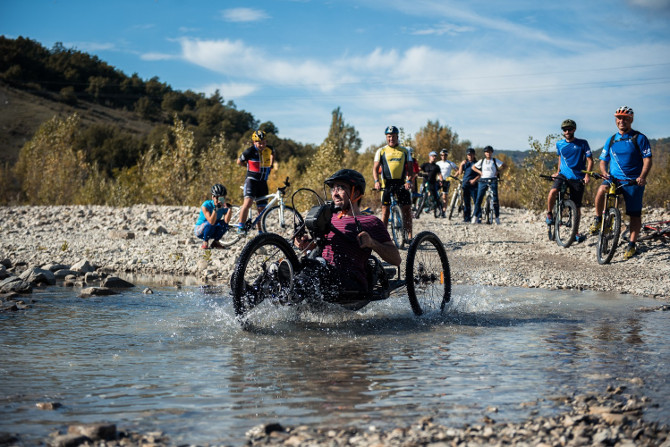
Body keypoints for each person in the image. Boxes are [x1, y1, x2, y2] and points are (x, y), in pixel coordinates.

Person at [294, 169, 401, 304]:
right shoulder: (328, 218)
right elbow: (321, 245)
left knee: (312, 272)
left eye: (341, 188)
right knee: (276, 274)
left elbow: (396, 259)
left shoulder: (371, 222)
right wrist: (306, 244)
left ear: (356, 193)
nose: (335, 193)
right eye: (333, 188)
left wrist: (372, 243)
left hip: (350, 284)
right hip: (322, 275)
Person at [588, 106, 652, 260]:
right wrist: (604, 172)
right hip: (613, 179)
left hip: (632, 181)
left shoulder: (639, 138)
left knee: (634, 215)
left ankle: (631, 244)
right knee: (601, 190)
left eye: (625, 118)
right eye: (619, 118)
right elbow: (603, 160)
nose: (621, 120)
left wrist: (642, 176)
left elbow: (647, 159)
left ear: (631, 120)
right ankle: (598, 219)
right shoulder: (611, 139)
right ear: (616, 120)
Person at [545, 119, 593, 243]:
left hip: (578, 177)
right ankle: (549, 213)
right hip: (563, 175)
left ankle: (575, 233)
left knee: (576, 208)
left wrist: (587, 176)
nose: (567, 131)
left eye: (569, 129)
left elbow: (590, 160)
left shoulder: (582, 143)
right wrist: (557, 171)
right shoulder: (559, 144)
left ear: (574, 130)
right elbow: (561, 158)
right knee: (553, 191)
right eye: (564, 130)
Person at [372, 126, 414, 240]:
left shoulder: (405, 151)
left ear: (397, 137)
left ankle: (409, 235)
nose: (391, 139)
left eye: (393, 136)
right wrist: (376, 181)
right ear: (386, 137)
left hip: (401, 183)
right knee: (385, 211)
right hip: (387, 184)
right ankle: (383, 237)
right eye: (389, 136)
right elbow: (375, 168)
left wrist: (409, 180)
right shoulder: (381, 151)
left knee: (406, 209)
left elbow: (410, 169)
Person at [236, 130, 275, 233]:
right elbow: (239, 161)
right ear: (254, 142)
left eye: (264, 142)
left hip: (263, 182)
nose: (262, 145)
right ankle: (241, 226)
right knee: (248, 203)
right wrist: (247, 166)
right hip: (252, 181)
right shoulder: (249, 151)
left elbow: (273, 154)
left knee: (261, 210)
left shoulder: (269, 149)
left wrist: (271, 165)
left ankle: (260, 231)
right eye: (259, 143)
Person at [472, 145, 505, 224]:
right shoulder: (482, 161)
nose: (488, 154)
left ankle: (497, 217)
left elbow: (504, 166)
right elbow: (473, 167)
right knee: (479, 198)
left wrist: (498, 171)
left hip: (493, 179)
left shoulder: (494, 160)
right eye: (486, 152)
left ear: (492, 153)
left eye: (489, 152)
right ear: (484, 153)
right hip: (483, 180)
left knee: (495, 199)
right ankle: (475, 216)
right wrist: (480, 172)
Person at [194, 184, 232, 249]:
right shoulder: (206, 205)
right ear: (213, 197)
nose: (219, 200)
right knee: (210, 224)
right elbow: (211, 221)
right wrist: (216, 209)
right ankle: (205, 242)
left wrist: (229, 210)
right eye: (217, 198)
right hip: (201, 230)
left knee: (224, 224)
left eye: (221, 198)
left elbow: (226, 221)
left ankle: (215, 242)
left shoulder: (223, 206)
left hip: (212, 228)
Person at [457, 148, 480, 223]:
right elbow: (460, 173)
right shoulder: (465, 163)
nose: (470, 156)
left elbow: (481, 174)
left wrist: (474, 180)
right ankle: (467, 218)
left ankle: (478, 217)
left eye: (471, 154)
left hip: (474, 184)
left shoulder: (477, 163)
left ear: (474, 155)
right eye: (468, 155)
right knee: (466, 202)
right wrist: (461, 164)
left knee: (476, 201)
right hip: (465, 184)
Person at [418, 151, 444, 216]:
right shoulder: (425, 164)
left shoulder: (436, 166)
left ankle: (442, 212)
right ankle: (418, 211)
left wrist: (441, 181)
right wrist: (418, 173)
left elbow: (439, 174)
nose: (434, 157)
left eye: (435, 156)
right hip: (425, 183)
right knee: (421, 196)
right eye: (432, 156)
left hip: (433, 183)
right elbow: (418, 170)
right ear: (429, 157)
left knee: (436, 197)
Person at [436, 148, 458, 217]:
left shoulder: (450, 163)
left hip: (446, 180)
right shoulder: (438, 163)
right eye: (442, 155)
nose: (443, 156)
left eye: (445, 155)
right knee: (433, 194)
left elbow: (458, 170)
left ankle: (444, 211)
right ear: (440, 155)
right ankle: (436, 207)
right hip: (438, 180)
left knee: (445, 197)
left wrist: (453, 176)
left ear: (447, 155)